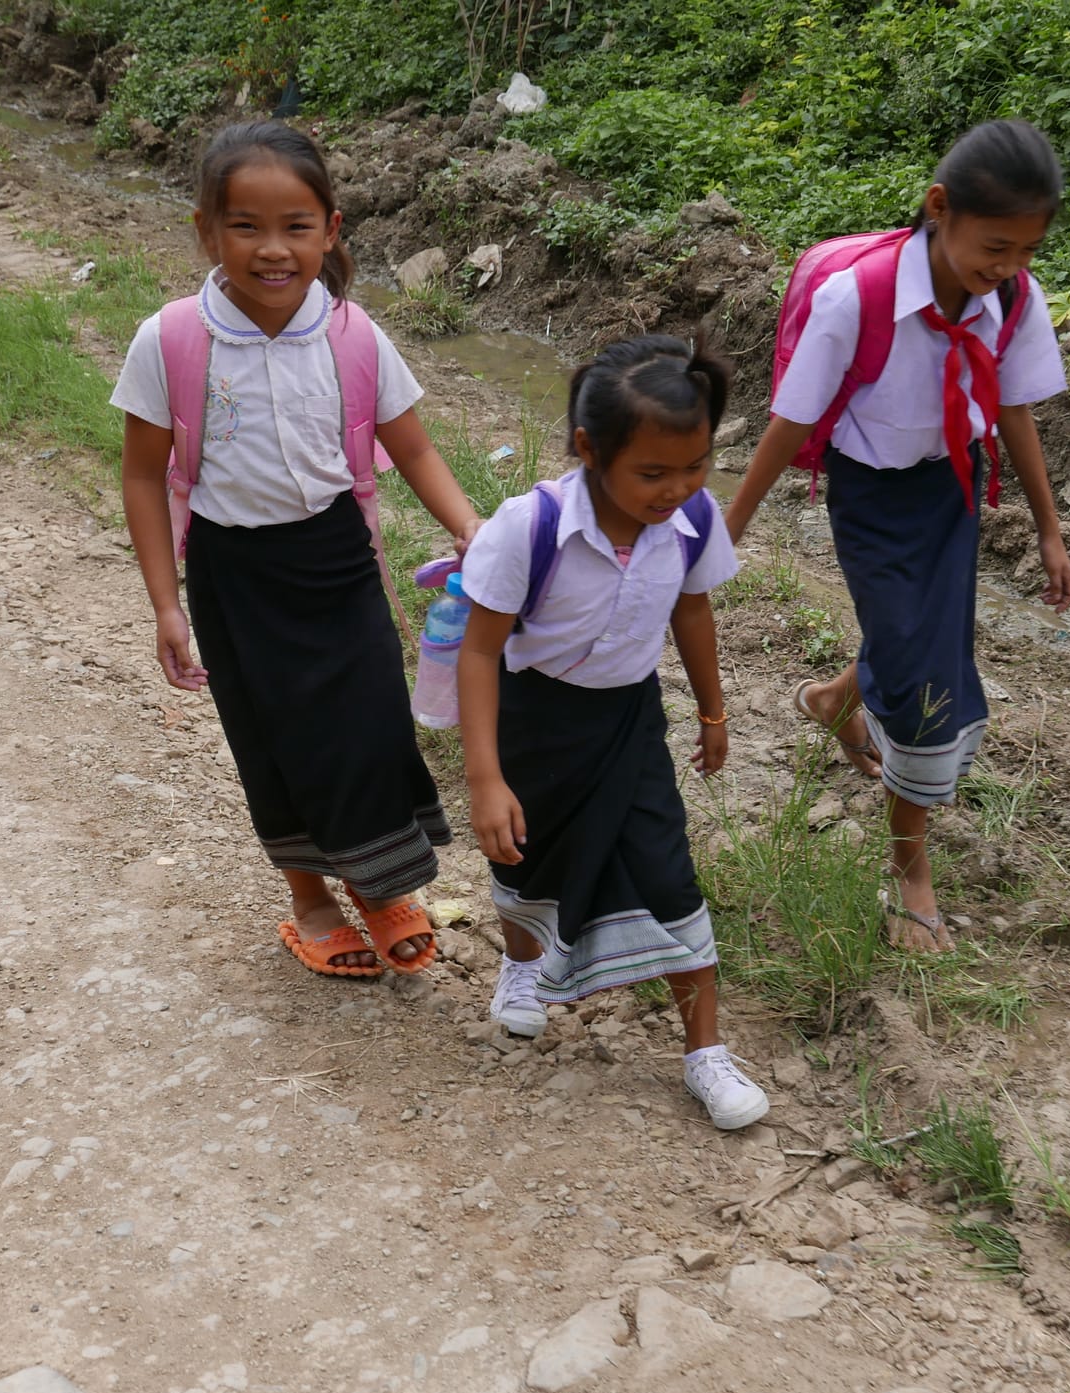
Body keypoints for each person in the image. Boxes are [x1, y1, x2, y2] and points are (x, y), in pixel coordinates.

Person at [115, 122, 480, 980]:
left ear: (331, 229)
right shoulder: (169, 341)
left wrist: (472, 529)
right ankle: (311, 900)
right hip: (233, 575)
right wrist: (168, 605)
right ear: (207, 230)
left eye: (295, 227)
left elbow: (415, 448)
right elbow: (141, 476)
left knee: (368, 727)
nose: (271, 250)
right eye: (245, 226)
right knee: (271, 738)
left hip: (338, 560)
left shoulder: (353, 335)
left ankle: (380, 888)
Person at [726, 119, 1070, 954]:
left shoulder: (1014, 300)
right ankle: (909, 873)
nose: (1008, 267)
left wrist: (1050, 528)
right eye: (995, 245)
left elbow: (1016, 409)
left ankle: (831, 699)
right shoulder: (861, 298)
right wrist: (724, 530)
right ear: (938, 207)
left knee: (922, 644)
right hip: (871, 500)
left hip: (953, 489)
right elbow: (790, 422)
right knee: (925, 683)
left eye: (1027, 250)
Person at [455, 336, 769, 1132]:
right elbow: (482, 652)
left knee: (669, 873)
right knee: (528, 858)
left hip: (629, 721)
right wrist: (486, 778)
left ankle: (705, 1054)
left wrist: (713, 710)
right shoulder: (529, 527)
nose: (678, 490)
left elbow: (692, 610)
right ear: (591, 450)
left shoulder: (693, 521)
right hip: (536, 719)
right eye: (653, 474)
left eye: (695, 466)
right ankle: (521, 971)